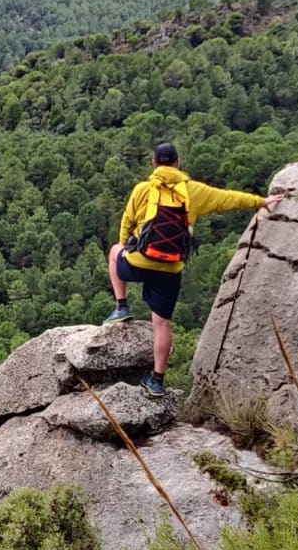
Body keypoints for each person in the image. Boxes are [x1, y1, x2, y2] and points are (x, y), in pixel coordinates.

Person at [104, 142, 284, 397]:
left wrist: (124, 244)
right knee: (162, 323)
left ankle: (121, 307)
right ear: (178, 163)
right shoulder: (193, 191)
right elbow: (227, 199)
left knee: (114, 252)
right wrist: (260, 201)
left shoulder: (143, 189)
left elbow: (127, 220)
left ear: (154, 164)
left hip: (140, 261)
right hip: (170, 268)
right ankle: (156, 381)